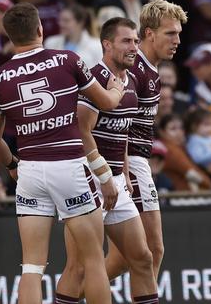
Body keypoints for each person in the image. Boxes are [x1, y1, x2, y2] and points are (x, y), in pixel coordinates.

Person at [0, 2, 125, 303]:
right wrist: (117, 88)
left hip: (30, 171)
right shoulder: (68, 60)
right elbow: (109, 103)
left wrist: (11, 163)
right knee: (93, 261)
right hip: (70, 166)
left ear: (10, 37)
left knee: (32, 265)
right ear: (40, 29)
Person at [56, 17, 158, 304]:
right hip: (88, 178)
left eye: (137, 41)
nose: (134, 47)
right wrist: (103, 176)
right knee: (78, 267)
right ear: (107, 44)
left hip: (115, 180)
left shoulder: (133, 80)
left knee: (142, 257)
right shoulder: (96, 78)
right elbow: (81, 130)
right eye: (126, 41)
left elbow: (122, 131)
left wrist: (123, 173)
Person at [126, 0, 187, 278]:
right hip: (128, 163)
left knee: (131, 256)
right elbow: (113, 125)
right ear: (149, 33)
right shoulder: (133, 69)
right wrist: (121, 170)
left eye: (179, 34)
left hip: (137, 161)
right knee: (152, 249)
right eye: (170, 33)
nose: (177, 40)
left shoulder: (153, 70)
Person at [158, 113, 211, 191]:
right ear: (162, 132)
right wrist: (210, 185)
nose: (179, 132)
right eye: (173, 129)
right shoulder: (171, 150)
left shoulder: (177, 147)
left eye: (181, 128)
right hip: (180, 196)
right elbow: (192, 173)